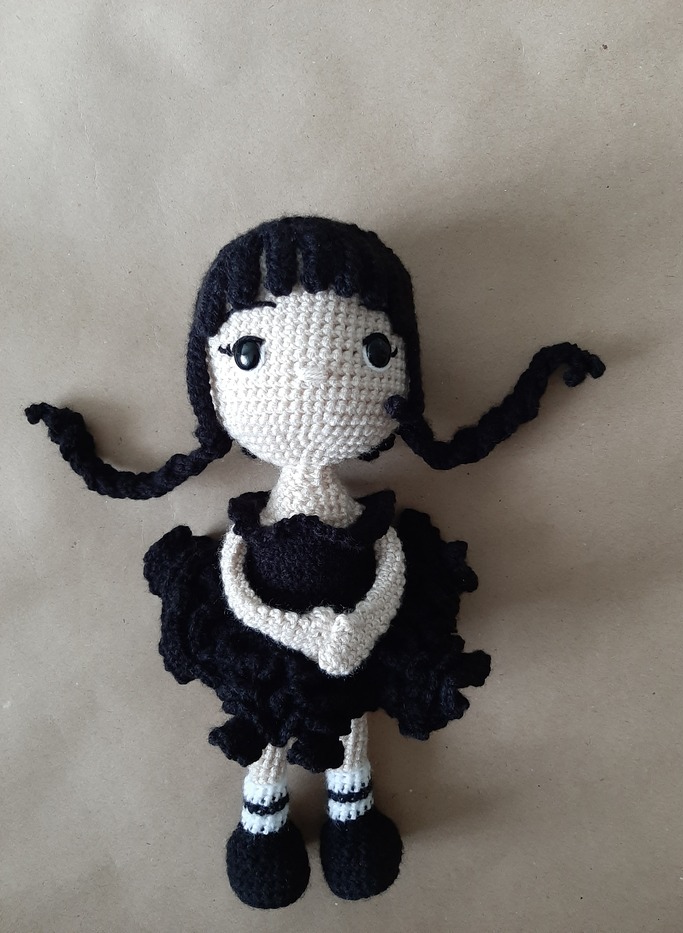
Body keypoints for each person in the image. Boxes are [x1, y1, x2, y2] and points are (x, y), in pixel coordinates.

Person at [27, 216, 605, 908]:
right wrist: (306, 633)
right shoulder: (252, 522)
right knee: (269, 731)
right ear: (212, 382)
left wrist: (361, 626)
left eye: (370, 349)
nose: (312, 374)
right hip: (271, 648)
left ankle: (351, 810)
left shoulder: (370, 520)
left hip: (354, 644)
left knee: (351, 725)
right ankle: (263, 820)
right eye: (249, 352)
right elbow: (235, 581)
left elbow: (390, 561)